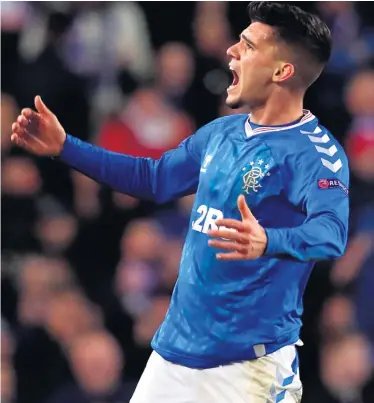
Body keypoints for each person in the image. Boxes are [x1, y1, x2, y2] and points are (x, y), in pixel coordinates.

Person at [10, 2, 349, 402]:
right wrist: (67, 147)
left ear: (282, 71)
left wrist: (269, 240)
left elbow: (331, 232)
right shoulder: (221, 133)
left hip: (247, 368)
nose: (231, 52)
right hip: (174, 356)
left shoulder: (314, 153)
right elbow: (154, 179)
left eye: (248, 46)